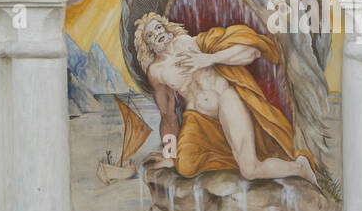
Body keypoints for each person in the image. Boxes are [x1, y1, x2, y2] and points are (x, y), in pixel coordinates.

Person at [136, 13, 317, 186]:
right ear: (148, 45)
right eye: (151, 35)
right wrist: (169, 155)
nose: (157, 34)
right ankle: (237, 152)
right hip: (198, 118)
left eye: (159, 27)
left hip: (225, 101)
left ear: (167, 27)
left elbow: (252, 52)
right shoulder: (156, 72)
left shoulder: (192, 42)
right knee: (185, 166)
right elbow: (168, 115)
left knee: (250, 170)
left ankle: (300, 167)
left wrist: (209, 59)